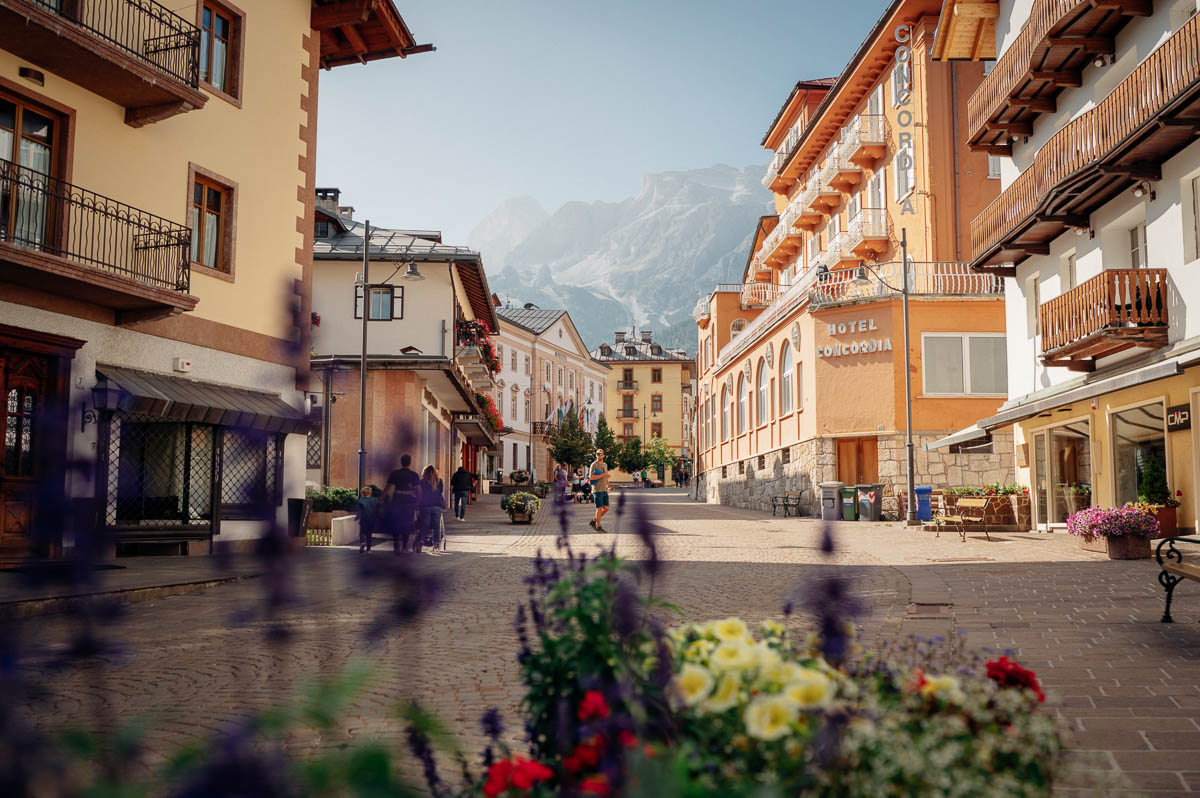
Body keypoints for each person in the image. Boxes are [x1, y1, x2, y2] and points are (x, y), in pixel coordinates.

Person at [383, 454, 421, 554]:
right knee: (407, 524)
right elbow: (419, 491)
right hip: (409, 503)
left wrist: (381, 498)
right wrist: (418, 502)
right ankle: (404, 546)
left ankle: (396, 542)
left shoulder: (395, 474)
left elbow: (387, 487)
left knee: (395, 522)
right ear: (410, 462)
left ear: (401, 462)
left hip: (397, 501)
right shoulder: (414, 475)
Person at [417, 465, 445, 552]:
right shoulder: (439, 481)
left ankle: (421, 541)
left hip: (425, 506)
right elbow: (440, 492)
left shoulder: (421, 482)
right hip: (437, 506)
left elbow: (419, 494)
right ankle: (436, 544)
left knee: (425, 525)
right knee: (437, 526)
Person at [588, 449, 611, 532]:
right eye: (597, 454)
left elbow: (605, 477)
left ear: (603, 455)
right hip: (597, 489)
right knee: (599, 508)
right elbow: (591, 477)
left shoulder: (605, 465)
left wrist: (608, 486)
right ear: (596, 455)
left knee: (606, 508)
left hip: (604, 489)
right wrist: (603, 475)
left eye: (600, 454)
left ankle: (593, 521)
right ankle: (599, 527)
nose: (599, 455)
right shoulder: (594, 465)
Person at [355, 486, 381, 553]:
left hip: (363, 519)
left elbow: (358, 510)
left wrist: (357, 517)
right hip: (372, 519)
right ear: (370, 493)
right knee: (369, 534)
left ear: (363, 493)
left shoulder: (360, 500)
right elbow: (379, 509)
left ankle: (363, 542)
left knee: (362, 532)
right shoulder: (375, 500)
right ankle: (369, 549)